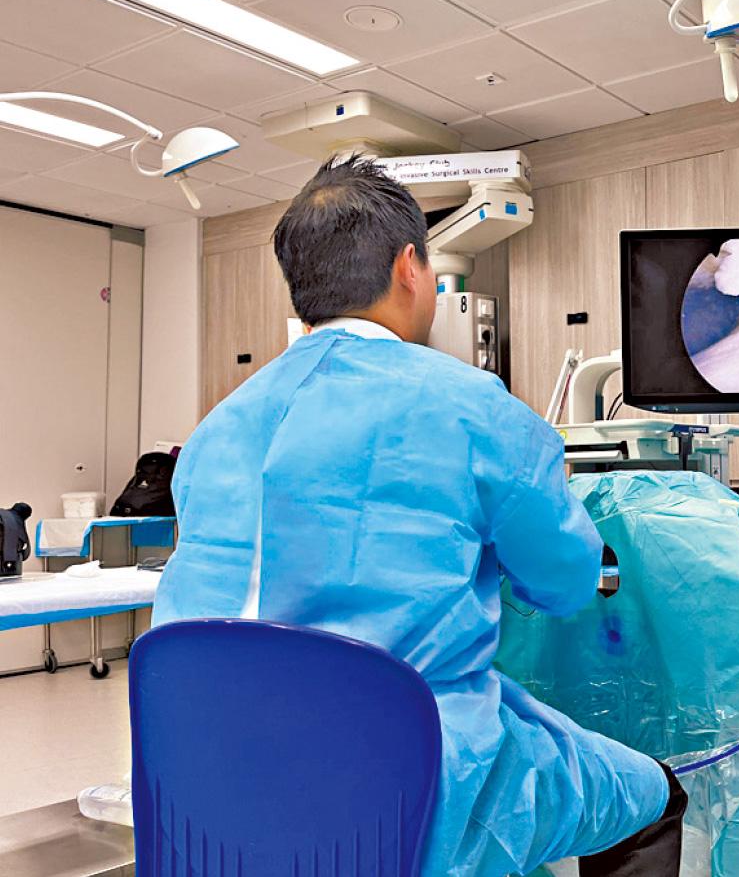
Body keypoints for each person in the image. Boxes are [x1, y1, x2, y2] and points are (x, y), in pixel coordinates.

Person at [151, 156, 686, 876]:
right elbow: (563, 583)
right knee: (650, 791)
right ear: (410, 266)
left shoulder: (214, 430)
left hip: (205, 793)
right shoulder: (473, 407)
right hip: (400, 792)